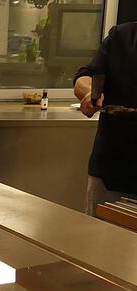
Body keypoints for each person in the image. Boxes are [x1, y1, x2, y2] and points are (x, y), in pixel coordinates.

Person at [74, 22, 137, 215]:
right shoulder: (122, 36)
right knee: (98, 240)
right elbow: (84, 78)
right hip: (112, 170)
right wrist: (90, 93)